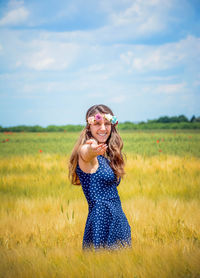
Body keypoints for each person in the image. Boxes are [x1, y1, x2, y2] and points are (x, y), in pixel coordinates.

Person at [69, 104, 132, 250]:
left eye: (107, 124)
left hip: (118, 220)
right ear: (89, 127)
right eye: (97, 124)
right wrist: (92, 149)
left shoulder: (107, 156)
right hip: (101, 221)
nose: (103, 128)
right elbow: (85, 152)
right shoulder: (88, 153)